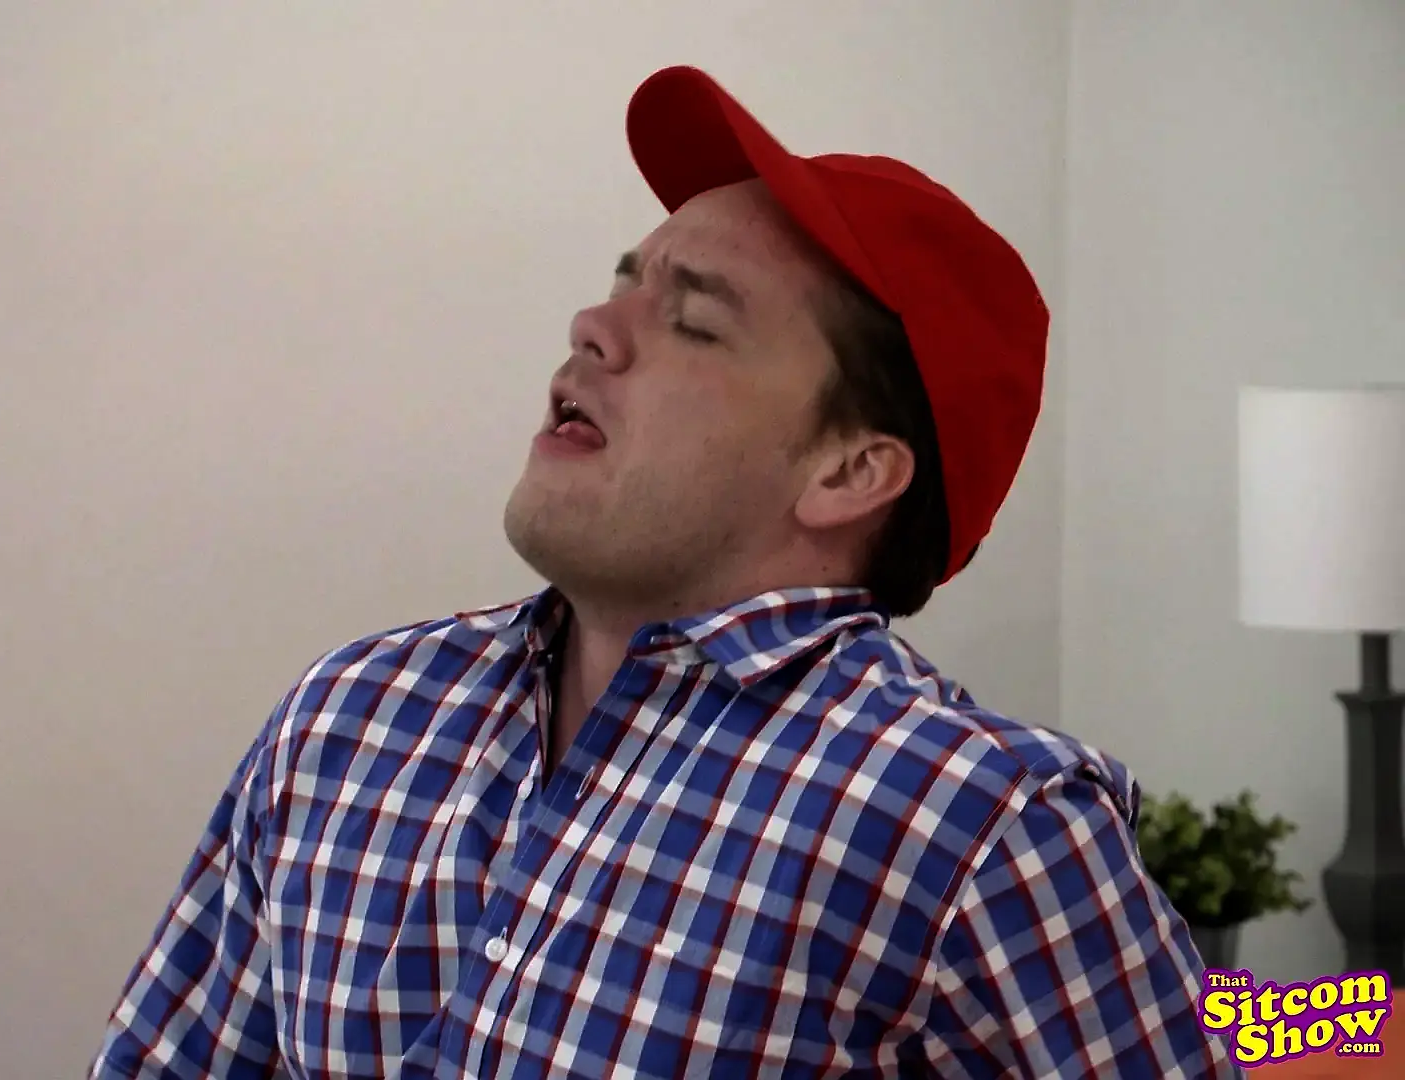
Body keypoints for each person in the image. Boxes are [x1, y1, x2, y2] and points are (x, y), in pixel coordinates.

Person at [89, 66, 1237, 1079]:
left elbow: (1234, 1043)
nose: (592, 325)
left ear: (848, 470)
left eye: (693, 321)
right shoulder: (349, 717)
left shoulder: (977, 829)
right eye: (624, 281)